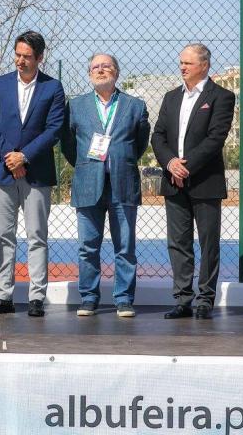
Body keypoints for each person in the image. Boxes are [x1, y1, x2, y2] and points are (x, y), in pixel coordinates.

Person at [0, 30, 65, 317]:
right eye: (17, 55)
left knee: (36, 236)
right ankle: (3, 295)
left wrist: (25, 157)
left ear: (39, 58)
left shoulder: (53, 88)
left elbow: (54, 130)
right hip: (3, 172)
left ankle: (36, 297)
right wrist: (11, 157)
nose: (20, 60)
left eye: (26, 56)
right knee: (4, 235)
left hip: (37, 173)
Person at [61, 53, 150, 318]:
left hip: (123, 182)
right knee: (88, 246)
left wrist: (121, 159)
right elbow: (68, 144)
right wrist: (87, 166)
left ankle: (124, 299)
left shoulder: (135, 105)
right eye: (95, 67)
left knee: (125, 247)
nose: (101, 70)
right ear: (89, 73)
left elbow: (140, 142)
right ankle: (89, 298)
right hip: (88, 183)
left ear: (117, 72)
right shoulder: (75, 106)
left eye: (106, 66)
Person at [151, 43, 234, 320]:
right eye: (181, 63)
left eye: (188, 63)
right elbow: (158, 136)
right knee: (178, 242)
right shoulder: (171, 97)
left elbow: (215, 138)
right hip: (173, 181)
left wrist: (186, 166)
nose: (182, 67)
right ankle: (182, 299)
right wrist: (170, 163)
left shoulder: (222, 96)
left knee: (208, 242)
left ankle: (205, 299)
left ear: (205, 65)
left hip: (205, 181)